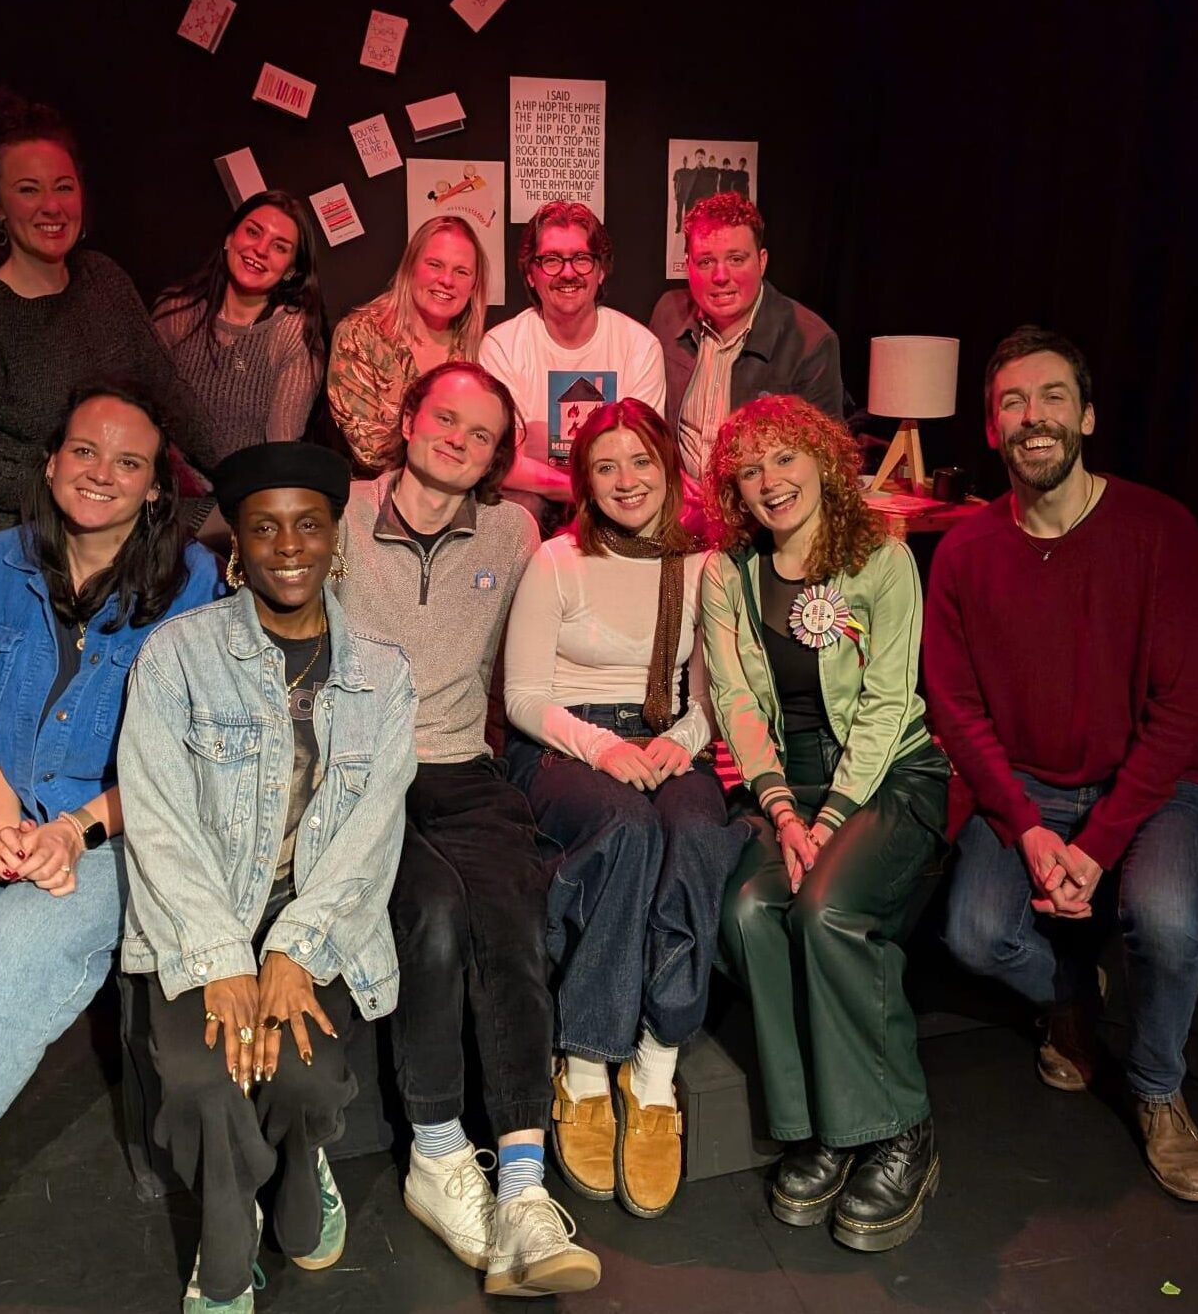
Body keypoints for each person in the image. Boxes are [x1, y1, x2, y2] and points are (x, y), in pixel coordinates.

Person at [117, 441, 417, 1312]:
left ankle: (298, 1167)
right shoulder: (177, 656)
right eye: (265, 529)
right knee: (205, 1083)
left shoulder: (384, 674)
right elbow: (158, 818)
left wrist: (294, 951)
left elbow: (373, 833)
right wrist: (224, 959)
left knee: (305, 1079)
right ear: (238, 549)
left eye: (308, 526)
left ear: (336, 537)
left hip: (314, 915)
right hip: (196, 917)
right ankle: (225, 1245)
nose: (289, 547)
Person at [926, 325, 1198, 1203]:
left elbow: (1180, 716)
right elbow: (957, 709)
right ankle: (1072, 998)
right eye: (1012, 403)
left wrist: (1097, 844)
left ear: (1086, 416)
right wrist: (1024, 826)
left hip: (1154, 784)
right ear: (993, 430)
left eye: (1053, 396)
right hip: (1026, 785)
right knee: (974, 935)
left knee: (1167, 923)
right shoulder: (966, 550)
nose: (1034, 416)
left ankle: (1157, 1088)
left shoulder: (1161, 530)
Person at [338, 360, 601, 1297]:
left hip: (459, 764)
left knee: (512, 912)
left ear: (499, 457)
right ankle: (439, 1153)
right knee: (434, 913)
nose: (457, 440)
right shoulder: (339, 513)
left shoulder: (512, 530)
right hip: (355, 770)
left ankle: (523, 1186)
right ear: (409, 418)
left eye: (481, 433)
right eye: (444, 419)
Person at [0, 382, 219, 1200]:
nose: (102, 472)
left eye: (129, 462)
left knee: (19, 946)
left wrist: (71, 832)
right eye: (84, 450)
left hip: (114, 829)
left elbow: (181, 753)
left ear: (155, 490)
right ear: (51, 462)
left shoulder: (192, 583)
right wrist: (0, 830)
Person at [704, 395, 948, 1251]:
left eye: (784, 458)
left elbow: (886, 703)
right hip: (789, 788)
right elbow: (735, 700)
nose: (770, 481)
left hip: (889, 775)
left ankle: (902, 1127)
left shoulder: (883, 557)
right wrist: (783, 810)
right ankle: (821, 1128)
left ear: (822, 461)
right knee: (748, 910)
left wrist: (833, 817)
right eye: (750, 469)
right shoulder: (728, 573)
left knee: (826, 910)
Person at [504, 399, 748, 1220]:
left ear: (668, 468)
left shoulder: (702, 566)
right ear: (583, 481)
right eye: (605, 467)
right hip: (564, 743)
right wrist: (602, 749)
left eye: (640, 461)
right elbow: (523, 697)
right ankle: (583, 1066)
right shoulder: (558, 560)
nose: (626, 480)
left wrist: (683, 740)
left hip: (666, 732)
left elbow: (714, 694)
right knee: (625, 827)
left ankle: (654, 1068)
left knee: (696, 829)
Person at [0, 89, 218, 563]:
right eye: (28, 190)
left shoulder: (104, 279)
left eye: (63, 186)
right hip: (18, 534)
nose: (51, 207)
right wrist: (66, 482)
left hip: (113, 508)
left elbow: (168, 392)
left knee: (245, 533)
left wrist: (240, 475)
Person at [480, 201, 664, 527]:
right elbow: (502, 463)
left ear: (601, 270)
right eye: (551, 260)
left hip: (618, 505)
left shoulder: (639, 346)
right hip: (536, 504)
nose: (568, 273)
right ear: (530, 274)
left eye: (581, 258)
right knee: (516, 506)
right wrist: (584, 490)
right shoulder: (502, 345)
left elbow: (644, 456)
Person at [650, 193, 843, 501]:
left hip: (759, 514)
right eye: (706, 262)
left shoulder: (810, 342)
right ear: (687, 266)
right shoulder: (667, 315)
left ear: (762, 261)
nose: (720, 276)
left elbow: (827, 460)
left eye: (736, 259)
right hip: (678, 511)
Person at [153, 191, 326, 463]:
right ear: (230, 238)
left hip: (244, 485)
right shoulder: (177, 311)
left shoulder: (292, 333)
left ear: (291, 271)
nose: (260, 250)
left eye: (279, 247)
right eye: (253, 232)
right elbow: (138, 409)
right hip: (158, 475)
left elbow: (279, 454)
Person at [328, 215, 488, 473]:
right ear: (410, 267)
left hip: (458, 490)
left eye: (461, 272)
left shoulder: (479, 352)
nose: (447, 280)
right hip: (378, 492)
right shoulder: (359, 335)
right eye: (435, 265)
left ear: (473, 285)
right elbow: (372, 451)